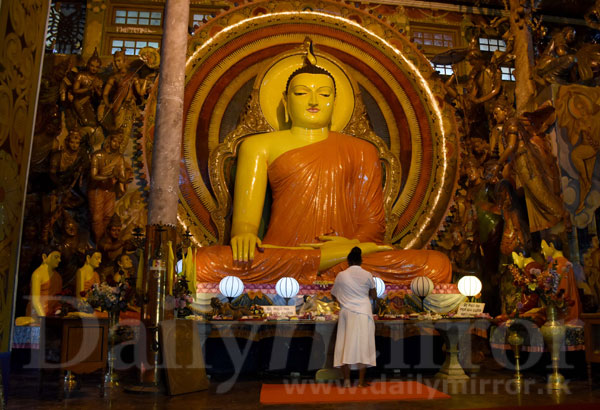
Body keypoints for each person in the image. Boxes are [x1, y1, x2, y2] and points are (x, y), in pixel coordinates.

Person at [195, 50, 452, 285]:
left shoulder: (363, 150)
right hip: (282, 254)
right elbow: (245, 224)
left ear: (335, 101)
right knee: (203, 263)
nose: (314, 100)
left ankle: (326, 261)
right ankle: (323, 261)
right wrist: (244, 235)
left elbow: (373, 226)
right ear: (285, 102)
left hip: (349, 259)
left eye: (325, 94)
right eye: (301, 93)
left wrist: (354, 246)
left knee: (436, 266)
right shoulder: (258, 145)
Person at [330, 247, 377, 387]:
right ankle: (361, 382)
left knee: (345, 344)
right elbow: (374, 295)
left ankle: (346, 381)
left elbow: (333, 294)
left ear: (348, 261)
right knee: (363, 346)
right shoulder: (367, 274)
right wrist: (363, 295)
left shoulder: (341, 275)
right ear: (361, 260)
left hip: (347, 312)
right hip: (364, 312)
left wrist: (342, 301)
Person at [88, 131, 128, 243]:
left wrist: (118, 177)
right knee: (96, 218)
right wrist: (108, 176)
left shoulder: (119, 158)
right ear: (109, 141)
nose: (116, 144)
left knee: (108, 217)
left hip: (110, 190)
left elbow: (123, 177)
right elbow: (93, 176)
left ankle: (103, 242)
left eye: (119, 143)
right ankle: (97, 241)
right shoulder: (98, 155)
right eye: (115, 141)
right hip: (97, 189)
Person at [27, 250, 63, 317]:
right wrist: (43, 318)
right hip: (37, 314)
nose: (59, 260)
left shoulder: (58, 277)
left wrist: (58, 310)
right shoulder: (37, 275)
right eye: (56, 257)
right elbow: (35, 301)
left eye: (60, 258)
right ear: (44, 257)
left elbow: (57, 300)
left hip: (51, 315)